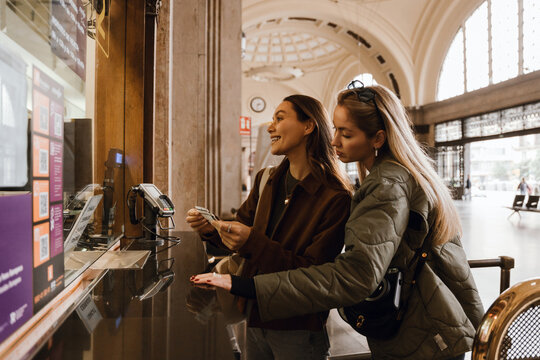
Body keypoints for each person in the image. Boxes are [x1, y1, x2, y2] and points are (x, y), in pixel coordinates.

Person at [193, 82, 484, 360]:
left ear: (378, 138)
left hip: (424, 334)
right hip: (431, 327)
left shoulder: (384, 186)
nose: (334, 141)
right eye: (335, 130)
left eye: (345, 133)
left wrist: (245, 284)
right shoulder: (399, 175)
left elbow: (354, 275)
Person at [186, 95, 351, 359]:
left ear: (309, 126)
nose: (270, 127)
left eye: (280, 118)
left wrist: (252, 242)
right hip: (254, 316)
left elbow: (314, 276)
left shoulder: (336, 197)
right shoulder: (266, 179)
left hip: (297, 327)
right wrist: (210, 229)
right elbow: (239, 229)